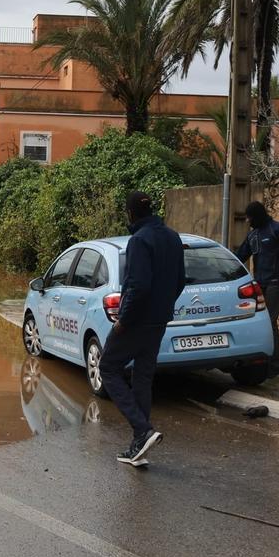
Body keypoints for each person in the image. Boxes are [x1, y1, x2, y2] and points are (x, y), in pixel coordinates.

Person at [99, 191, 186, 468]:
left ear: (131, 213)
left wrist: (124, 320)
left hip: (136, 321)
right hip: (159, 320)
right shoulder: (172, 237)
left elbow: (137, 285)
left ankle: (142, 429)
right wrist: (163, 307)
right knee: (142, 377)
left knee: (108, 368)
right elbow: (180, 281)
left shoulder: (139, 240)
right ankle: (140, 444)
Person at [235, 201, 279, 376]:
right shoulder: (252, 236)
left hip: (276, 284)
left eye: (250, 217)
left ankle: (274, 364)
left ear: (257, 216)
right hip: (259, 284)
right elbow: (239, 257)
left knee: (269, 322)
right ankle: (270, 362)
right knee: (260, 323)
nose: (247, 221)